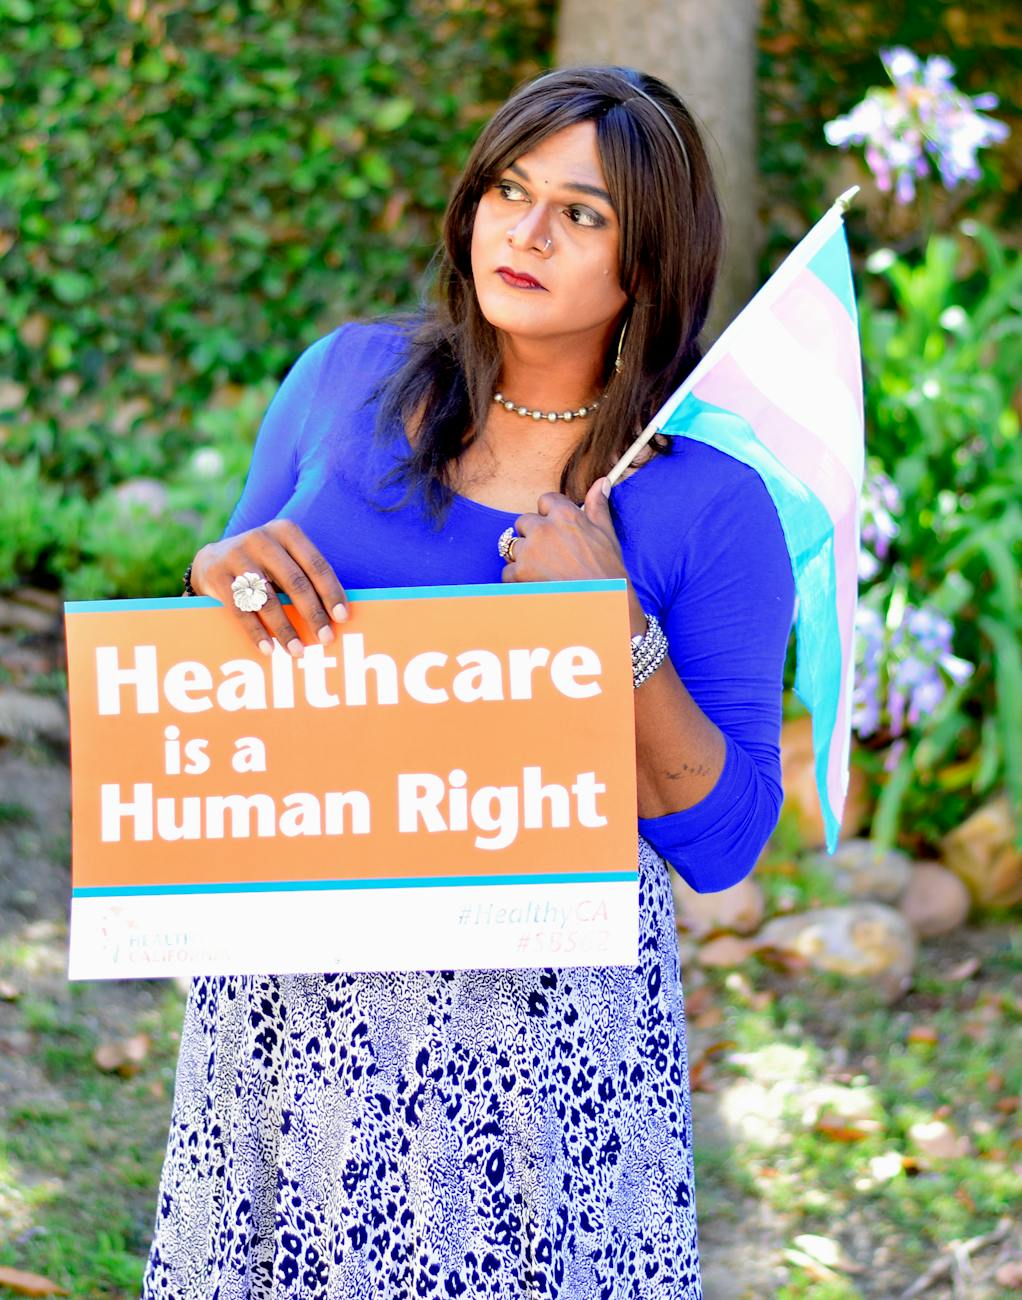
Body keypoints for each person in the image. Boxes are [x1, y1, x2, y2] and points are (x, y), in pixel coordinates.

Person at [142, 65, 795, 1300]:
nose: (526, 230)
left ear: (646, 263)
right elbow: (218, 652)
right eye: (508, 187)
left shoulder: (708, 505)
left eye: (581, 213)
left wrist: (610, 629)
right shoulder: (341, 380)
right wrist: (215, 574)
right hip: (294, 989)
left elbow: (722, 839)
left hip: (540, 1037)